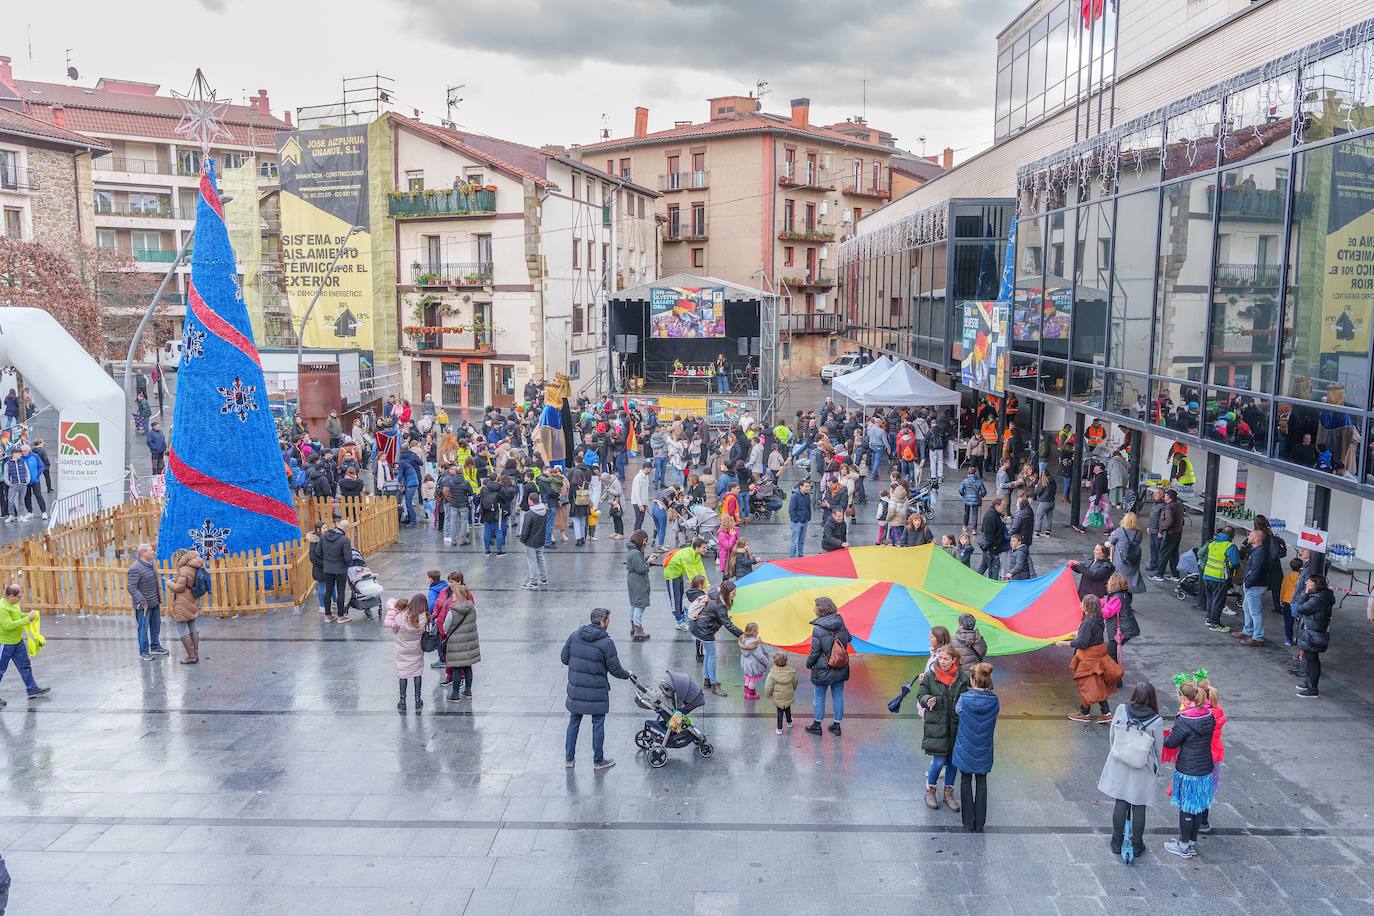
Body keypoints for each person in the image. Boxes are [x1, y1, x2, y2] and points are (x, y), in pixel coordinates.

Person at [1097, 681, 1165, 859]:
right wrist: (1156, 767)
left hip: (1120, 760)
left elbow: (1112, 733)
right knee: (1139, 804)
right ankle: (1136, 844)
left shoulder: (1121, 709)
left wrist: (1117, 752)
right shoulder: (1156, 721)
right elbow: (1159, 748)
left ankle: (1116, 842)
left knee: (1121, 801)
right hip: (1142, 766)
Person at [561, 607, 632, 770]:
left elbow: (564, 659)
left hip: (576, 690)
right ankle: (598, 761)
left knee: (574, 722)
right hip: (597, 692)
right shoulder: (606, 643)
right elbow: (615, 670)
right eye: (608, 620)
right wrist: (628, 674)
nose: (609, 623)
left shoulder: (574, 636)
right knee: (598, 723)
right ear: (602, 622)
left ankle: (569, 759)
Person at [1162, 682, 1216, 859]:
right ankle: (1191, 842)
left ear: (1183, 698)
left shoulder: (1185, 719)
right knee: (1199, 807)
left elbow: (1171, 743)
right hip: (1206, 768)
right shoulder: (1209, 715)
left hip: (1188, 769)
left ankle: (1183, 846)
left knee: (1186, 808)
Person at [917, 644, 969, 812]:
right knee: (939, 761)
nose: (942, 661)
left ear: (954, 660)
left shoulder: (962, 677)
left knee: (953, 763)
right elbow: (921, 693)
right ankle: (930, 790)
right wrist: (927, 700)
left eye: (946, 659)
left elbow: (967, 697)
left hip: (956, 726)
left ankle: (948, 792)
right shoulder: (931, 676)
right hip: (937, 726)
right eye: (940, 658)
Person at [1058, 595, 1122, 723]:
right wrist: (1079, 633)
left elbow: (1082, 643)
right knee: (1095, 685)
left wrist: (1064, 644)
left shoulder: (1087, 622)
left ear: (1088, 607)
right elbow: (1092, 635)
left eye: (1082, 603)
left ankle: (1086, 713)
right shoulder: (1097, 618)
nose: (1080, 605)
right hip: (1097, 657)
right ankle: (1098, 712)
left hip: (1089, 660)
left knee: (1088, 685)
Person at [953, 662, 999, 832]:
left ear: (973, 680)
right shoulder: (995, 701)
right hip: (984, 749)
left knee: (965, 781)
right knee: (982, 782)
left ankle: (967, 821)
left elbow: (958, 711)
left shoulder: (964, 699)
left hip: (965, 747)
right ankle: (980, 823)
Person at [804, 596, 851, 736]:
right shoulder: (841, 623)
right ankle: (837, 725)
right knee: (838, 695)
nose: (814, 609)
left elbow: (814, 652)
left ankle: (817, 725)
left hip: (823, 669)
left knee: (819, 696)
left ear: (821, 610)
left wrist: (808, 664)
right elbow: (849, 638)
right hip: (840, 667)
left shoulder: (818, 629)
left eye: (815, 607)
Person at [0, 582, 50, 706]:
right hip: (6, 644)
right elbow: (8, 626)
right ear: (10, 596)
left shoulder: (14, 604)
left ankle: (32, 689)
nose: (20, 599)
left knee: (25, 666)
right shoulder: (2, 608)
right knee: (0, 670)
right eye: (19, 597)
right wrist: (27, 619)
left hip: (17, 642)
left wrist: (28, 615)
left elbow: (18, 617)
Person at [690, 580, 743, 696]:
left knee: (709, 655)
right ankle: (714, 685)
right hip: (704, 630)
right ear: (726, 592)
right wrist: (742, 635)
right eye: (733, 592)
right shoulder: (720, 605)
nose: (735, 595)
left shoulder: (716, 595)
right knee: (713, 656)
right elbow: (728, 625)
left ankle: (707, 680)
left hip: (698, 627)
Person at [439, 577, 480, 701]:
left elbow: (446, 627)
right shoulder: (472, 608)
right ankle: (468, 691)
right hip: (469, 643)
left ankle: (455, 694)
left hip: (455, 644)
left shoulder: (453, 610)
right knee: (468, 667)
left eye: (454, 594)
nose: (452, 595)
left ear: (459, 595)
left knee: (456, 669)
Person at [1293, 573, 1333, 698]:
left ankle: (1312, 688)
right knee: (1310, 659)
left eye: (1309, 582)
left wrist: (1305, 593)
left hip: (1313, 634)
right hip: (1312, 632)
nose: (1306, 584)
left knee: (1312, 660)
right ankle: (1309, 683)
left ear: (1316, 585)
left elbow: (1299, 607)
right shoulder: (1322, 596)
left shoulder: (1317, 600)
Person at [126, 543, 169, 660]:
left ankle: (155, 646)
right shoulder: (135, 569)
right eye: (150, 550)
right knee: (143, 628)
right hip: (143, 605)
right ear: (143, 553)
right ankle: (143, 652)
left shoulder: (151, 564)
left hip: (154, 601)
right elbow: (131, 587)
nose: (153, 552)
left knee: (156, 625)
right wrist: (142, 601)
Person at [385, 594, 426, 713]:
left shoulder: (400, 617)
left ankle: (402, 701)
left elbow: (394, 630)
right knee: (417, 673)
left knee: (403, 673)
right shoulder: (424, 618)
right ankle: (417, 699)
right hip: (416, 648)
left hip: (402, 649)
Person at [166, 548, 205, 664]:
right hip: (193, 599)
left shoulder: (184, 569)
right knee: (192, 624)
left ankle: (191, 655)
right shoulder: (196, 567)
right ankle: (196, 653)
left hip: (183, 602)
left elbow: (180, 588)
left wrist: (170, 583)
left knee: (181, 628)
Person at [1198, 527, 1240, 632]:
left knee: (1210, 599)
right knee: (1218, 602)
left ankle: (1209, 619)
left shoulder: (1212, 543)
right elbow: (1236, 563)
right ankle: (1215, 624)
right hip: (1220, 578)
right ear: (1233, 535)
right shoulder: (1230, 546)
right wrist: (1229, 565)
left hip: (1207, 575)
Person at [663, 539, 707, 629]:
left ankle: (682, 618)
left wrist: (706, 585)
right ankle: (679, 622)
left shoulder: (697, 555)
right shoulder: (687, 555)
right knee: (675, 598)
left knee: (680, 596)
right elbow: (692, 574)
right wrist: (701, 588)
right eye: (703, 548)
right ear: (697, 548)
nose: (705, 550)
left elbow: (701, 571)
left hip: (678, 574)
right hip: (671, 575)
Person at [1238, 527, 1270, 646]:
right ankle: (1248, 630)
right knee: (1247, 608)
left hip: (1254, 586)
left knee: (1255, 612)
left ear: (1256, 539)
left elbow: (1255, 571)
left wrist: (1248, 582)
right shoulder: (1257, 550)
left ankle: (1258, 637)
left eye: (1250, 535)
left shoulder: (1259, 553)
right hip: (1253, 585)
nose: (1248, 537)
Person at [319, 517, 354, 623]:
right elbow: (348, 558)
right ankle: (340, 616)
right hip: (340, 569)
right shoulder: (344, 540)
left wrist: (326, 561)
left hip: (328, 568)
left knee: (328, 591)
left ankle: (328, 615)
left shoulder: (324, 536)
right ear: (345, 529)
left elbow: (318, 552)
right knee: (340, 591)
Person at [1102, 573, 1140, 667]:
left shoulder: (1116, 598)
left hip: (1120, 631)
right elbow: (1107, 603)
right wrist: (1096, 601)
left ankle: (1115, 677)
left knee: (1111, 653)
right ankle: (1115, 675)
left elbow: (1106, 613)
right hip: (1127, 629)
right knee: (1112, 652)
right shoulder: (1123, 595)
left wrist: (1093, 608)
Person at [1106, 512, 1147, 593]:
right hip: (1133, 558)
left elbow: (1110, 541)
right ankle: (1128, 599)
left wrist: (1112, 534)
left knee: (1119, 579)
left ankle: (1120, 598)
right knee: (1131, 581)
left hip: (1120, 560)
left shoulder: (1120, 531)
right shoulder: (1139, 532)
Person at [1151, 489, 1186, 580]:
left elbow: (1169, 521)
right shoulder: (1178, 505)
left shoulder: (1169, 507)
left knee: (1163, 553)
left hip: (1169, 533)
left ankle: (1159, 574)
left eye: (1165, 495)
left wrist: (1161, 530)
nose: (1164, 497)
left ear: (1169, 497)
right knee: (1173, 554)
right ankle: (1175, 574)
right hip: (1177, 532)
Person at [518, 490, 549, 590]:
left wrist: (523, 539)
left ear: (531, 501)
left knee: (532, 562)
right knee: (540, 558)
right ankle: (543, 579)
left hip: (530, 542)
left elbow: (525, 529)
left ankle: (533, 581)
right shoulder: (544, 511)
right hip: (540, 540)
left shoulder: (529, 514)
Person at [625, 529, 652, 642]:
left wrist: (646, 559)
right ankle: (638, 630)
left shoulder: (633, 551)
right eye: (645, 540)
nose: (646, 542)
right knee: (639, 605)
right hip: (638, 582)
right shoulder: (636, 553)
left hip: (633, 580)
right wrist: (648, 562)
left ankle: (633, 626)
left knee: (634, 604)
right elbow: (641, 569)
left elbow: (638, 563)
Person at [765, 651, 797, 734]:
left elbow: (768, 686)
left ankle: (779, 728)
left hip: (778, 697)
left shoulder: (772, 673)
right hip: (788, 695)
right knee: (788, 709)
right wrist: (793, 688)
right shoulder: (791, 672)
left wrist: (768, 694)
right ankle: (789, 722)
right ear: (786, 661)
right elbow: (795, 682)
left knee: (779, 712)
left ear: (775, 662)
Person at [738, 622, 770, 700]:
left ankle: (746, 692)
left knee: (748, 678)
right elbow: (760, 656)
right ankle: (751, 694)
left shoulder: (743, 640)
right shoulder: (755, 644)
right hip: (753, 665)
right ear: (755, 632)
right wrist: (767, 663)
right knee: (752, 679)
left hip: (745, 663)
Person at [977, 498, 1006, 579]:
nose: (1004, 508)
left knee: (984, 565)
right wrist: (994, 546)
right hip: (991, 549)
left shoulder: (994, 514)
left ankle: (974, 580)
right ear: (997, 506)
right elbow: (989, 535)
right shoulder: (990, 517)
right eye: (1003, 506)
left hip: (990, 548)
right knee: (995, 568)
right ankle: (993, 584)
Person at [1280, 556, 1302, 646]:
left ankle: (1289, 639)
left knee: (1288, 622)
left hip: (1286, 601)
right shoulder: (1301, 578)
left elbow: (1282, 589)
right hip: (1296, 602)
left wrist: (1281, 599)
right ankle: (1299, 639)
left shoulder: (1286, 577)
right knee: (1299, 622)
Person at [788, 480, 812, 558]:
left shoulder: (807, 495)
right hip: (797, 522)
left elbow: (808, 507)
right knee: (794, 541)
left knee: (802, 540)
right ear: (801, 486)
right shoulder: (794, 496)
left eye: (808, 486)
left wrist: (809, 516)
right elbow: (791, 510)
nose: (808, 488)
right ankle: (792, 558)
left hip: (805, 521)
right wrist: (796, 520)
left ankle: (800, 555)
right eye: (806, 486)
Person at [958, 465, 986, 529]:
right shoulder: (979, 481)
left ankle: (965, 525)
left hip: (967, 499)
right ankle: (974, 529)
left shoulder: (965, 481)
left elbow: (960, 490)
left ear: (968, 472)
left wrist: (964, 495)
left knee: (966, 512)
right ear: (975, 473)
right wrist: (981, 496)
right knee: (975, 513)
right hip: (976, 500)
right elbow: (984, 491)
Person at [1033, 470, 1056, 536]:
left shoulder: (1043, 481)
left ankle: (1037, 531)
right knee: (1049, 517)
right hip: (1052, 501)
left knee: (1038, 516)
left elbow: (1037, 492)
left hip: (1044, 502)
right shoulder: (1053, 480)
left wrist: (1036, 486)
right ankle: (1048, 532)